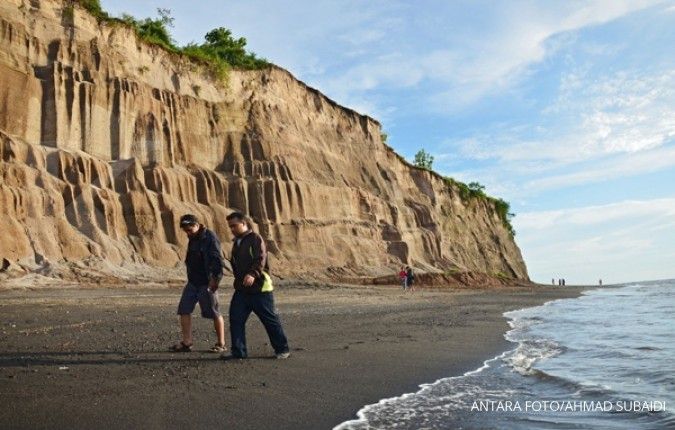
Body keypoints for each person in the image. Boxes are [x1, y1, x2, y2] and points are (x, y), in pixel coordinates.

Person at [224, 212, 290, 359]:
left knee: (269, 320)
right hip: (242, 289)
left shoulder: (255, 238)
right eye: (230, 227)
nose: (232, 229)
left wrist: (252, 274)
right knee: (236, 319)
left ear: (244, 223)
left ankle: (282, 349)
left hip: (260, 289)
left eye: (234, 226)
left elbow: (260, 258)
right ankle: (238, 353)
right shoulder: (237, 243)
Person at [171, 214, 226, 353]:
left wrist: (215, 279)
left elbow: (218, 260)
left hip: (206, 282)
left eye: (189, 229)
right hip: (193, 282)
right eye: (185, 231)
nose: (187, 233)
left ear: (197, 225)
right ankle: (187, 342)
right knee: (184, 309)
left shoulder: (210, 238)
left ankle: (221, 343)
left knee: (214, 312)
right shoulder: (193, 238)